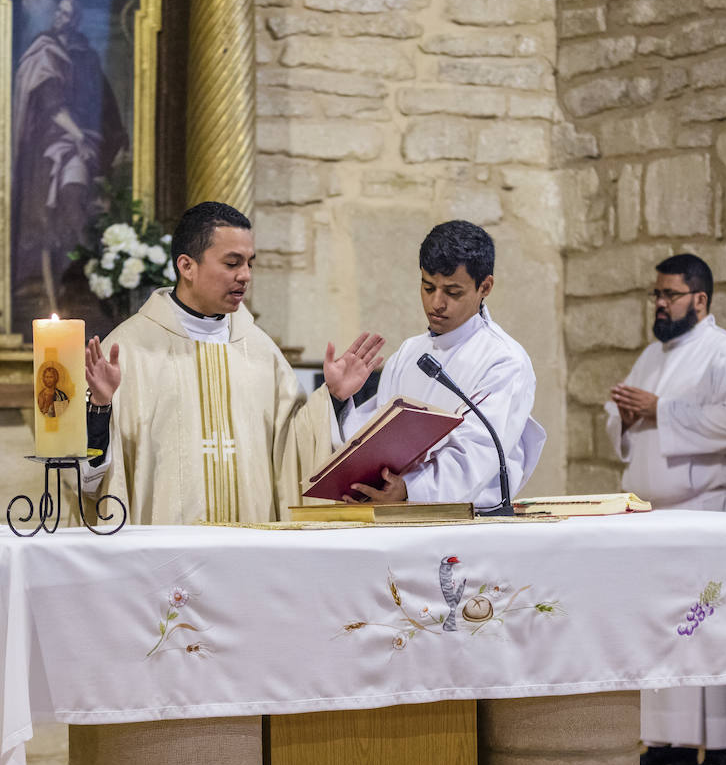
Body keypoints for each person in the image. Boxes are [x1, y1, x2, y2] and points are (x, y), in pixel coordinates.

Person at [79, 201, 384, 524]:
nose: (245, 276)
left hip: (248, 553)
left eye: (250, 263)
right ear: (187, 266)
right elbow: (88, 477)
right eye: (232, 263)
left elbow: (291, 456)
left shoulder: (261, 352)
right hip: (166, 557)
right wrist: (100, 407)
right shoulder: (127, 351)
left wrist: (333, 399)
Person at [607, 253, 726, 765]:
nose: (660, 303)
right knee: (663, 630)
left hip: (708, 511)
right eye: (656, 294)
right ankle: (670, 737)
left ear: (700, 299)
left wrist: (662, 411)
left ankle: (725, 745)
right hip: (657, 517)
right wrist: (626, 417)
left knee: (710, 625)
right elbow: (623, 420)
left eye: (669, 295)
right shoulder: (652, 354)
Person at [332, 220, 545, 508]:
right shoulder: (409, 353)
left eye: (452, 292)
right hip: (397, 515)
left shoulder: (504, 360)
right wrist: (341, 399)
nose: (436, 303)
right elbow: (372, 441)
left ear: (485, 286)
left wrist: (410, 489)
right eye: (428, 287)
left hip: (470, 521)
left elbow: (477, 453)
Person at [10, 0, 126, 329]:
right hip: (52, 143)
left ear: (75, 20)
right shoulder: (44, 51)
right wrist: (75, 136)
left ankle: (75, 283)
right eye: (58, 13)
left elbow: (105, 106)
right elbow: (48, 102)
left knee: (77, 200)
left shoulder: (87, 56)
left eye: (69, 15)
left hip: (83, 142)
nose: (62, 19)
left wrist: (110, 141)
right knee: (62, 194)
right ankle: (43, 284)